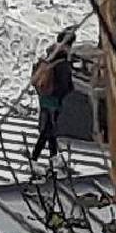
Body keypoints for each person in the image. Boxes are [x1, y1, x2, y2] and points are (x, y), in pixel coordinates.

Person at [29, 29, 76, 169]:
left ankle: (53, 156)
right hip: (54, 99)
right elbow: (65, 85)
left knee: (50, 127)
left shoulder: (50, 56)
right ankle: (34, 158)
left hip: (44, 97)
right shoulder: (63, 62)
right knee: (48, 129)